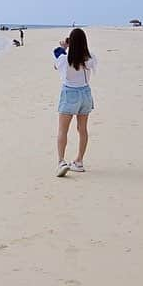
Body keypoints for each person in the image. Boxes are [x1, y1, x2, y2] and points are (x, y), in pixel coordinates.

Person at [53, 28, 97, 176]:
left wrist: (63, 47)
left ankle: (61, 161)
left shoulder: (65, 59)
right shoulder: (89, 58)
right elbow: (88, 59)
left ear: (70, 41)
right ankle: (79, 161)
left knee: (62, 130)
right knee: (82, 129)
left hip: (69, 93)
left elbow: (56, 59)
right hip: (85, 93)